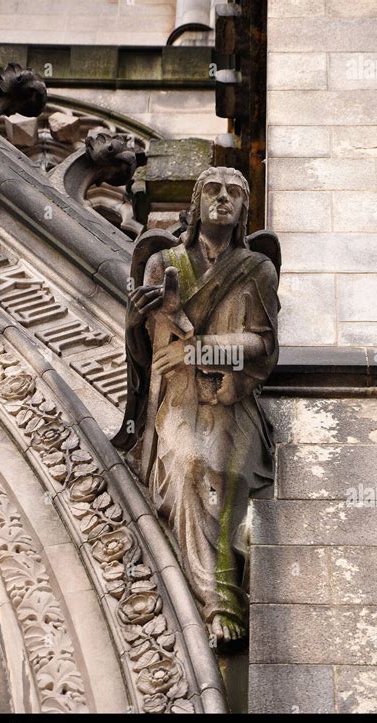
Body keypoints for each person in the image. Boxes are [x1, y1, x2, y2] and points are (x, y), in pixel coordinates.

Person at [113, 167, 280, 644]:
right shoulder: (163, 261)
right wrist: (141, 317)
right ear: (196, 201)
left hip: (230, 399)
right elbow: (146, 346)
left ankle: (227, 593)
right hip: (180, 401)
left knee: (227, 474)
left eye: (234, 193)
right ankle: (218, 600)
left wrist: (199, 349)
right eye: (213, 189)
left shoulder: (257, 269)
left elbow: (263, 345)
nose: (223, 199)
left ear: (245, 208)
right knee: (188, 467)